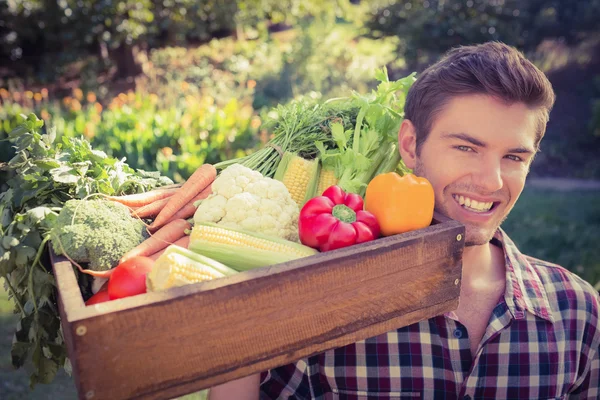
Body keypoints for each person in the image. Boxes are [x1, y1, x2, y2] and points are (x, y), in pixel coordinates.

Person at [209, 41, 600, 399]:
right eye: (466, 147)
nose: (491, 181)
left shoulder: (577, 312)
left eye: (514, 157)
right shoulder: (322, 303)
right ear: (411, 145)